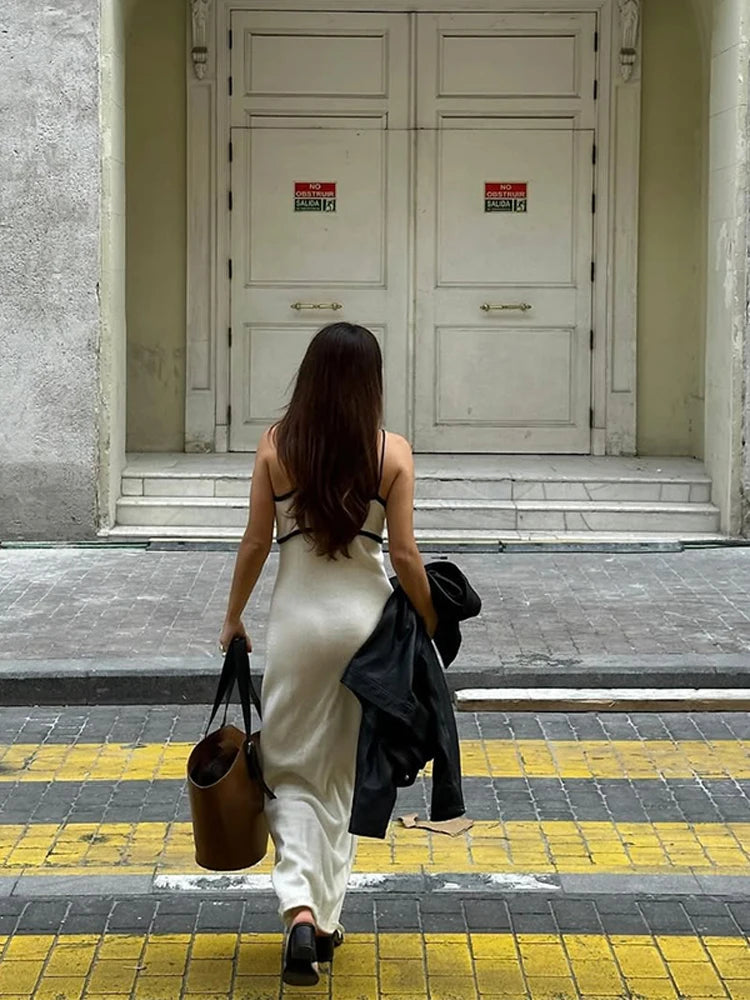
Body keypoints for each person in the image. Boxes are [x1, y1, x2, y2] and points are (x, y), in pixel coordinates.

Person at [218, 322, 439, 986]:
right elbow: (403, 554)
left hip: (297, 626)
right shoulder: (392, 454)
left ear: (309, 378)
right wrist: (427, 618)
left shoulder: (276, 447)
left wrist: (233, 617)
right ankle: (330, 919)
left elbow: (257, 542)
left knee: (288, 772)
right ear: (370, 383)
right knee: (343, 775)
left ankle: (300, 909)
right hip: (365, 629)